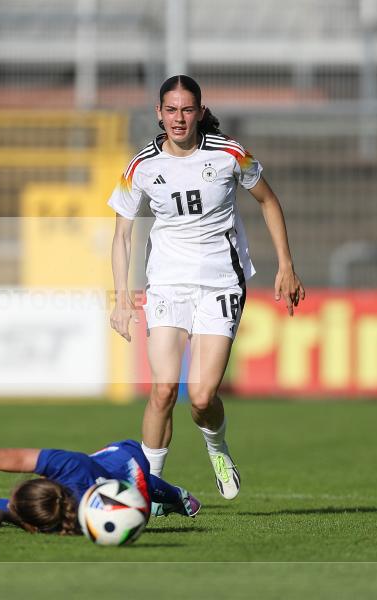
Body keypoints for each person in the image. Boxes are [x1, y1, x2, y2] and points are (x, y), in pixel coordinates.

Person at [108, 75, 305, 501]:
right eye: (171, 110)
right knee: (162, 390)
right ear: (159, 113)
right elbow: (121, 235)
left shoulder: (230, 153)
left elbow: (269, 201)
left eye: (187, 109)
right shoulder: (141, 166)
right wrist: (122, 298)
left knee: (200, 397)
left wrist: (286, 265)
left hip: (219, 282)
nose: (179, 118)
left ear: (199, 112)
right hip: (166, 285)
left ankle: (217, 448)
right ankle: (148, 491)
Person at [0, 439, 200, 535]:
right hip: (128, 467)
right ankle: (177, 497)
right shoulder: (68, 466)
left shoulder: (65, 524)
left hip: (120, 464)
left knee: (127, 483)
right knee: (126, 483)